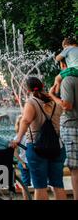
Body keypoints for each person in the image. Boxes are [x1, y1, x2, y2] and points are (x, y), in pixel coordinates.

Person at [14, 77, 66, 200]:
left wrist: (18, 139)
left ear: (28, 90)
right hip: (57, 147)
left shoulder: (32, 102)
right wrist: (53, 93)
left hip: (37, 148)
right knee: (58, 185)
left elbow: (26, 120)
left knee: (40, 186)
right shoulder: (54, 103)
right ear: (43, 86)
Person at [50, 59, 78, 200]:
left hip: (72, 127)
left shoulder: (68, 80)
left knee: (75, 170)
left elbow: (66, 105)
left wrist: (53, 96)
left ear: (63, 64)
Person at [14, 115, 31, 200]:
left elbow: (15, 152)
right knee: (38, 183)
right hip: (31, 162)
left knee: (25, 185)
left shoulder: (16, 137)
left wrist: (21, 162)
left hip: (23, 162)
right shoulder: (30, 136)